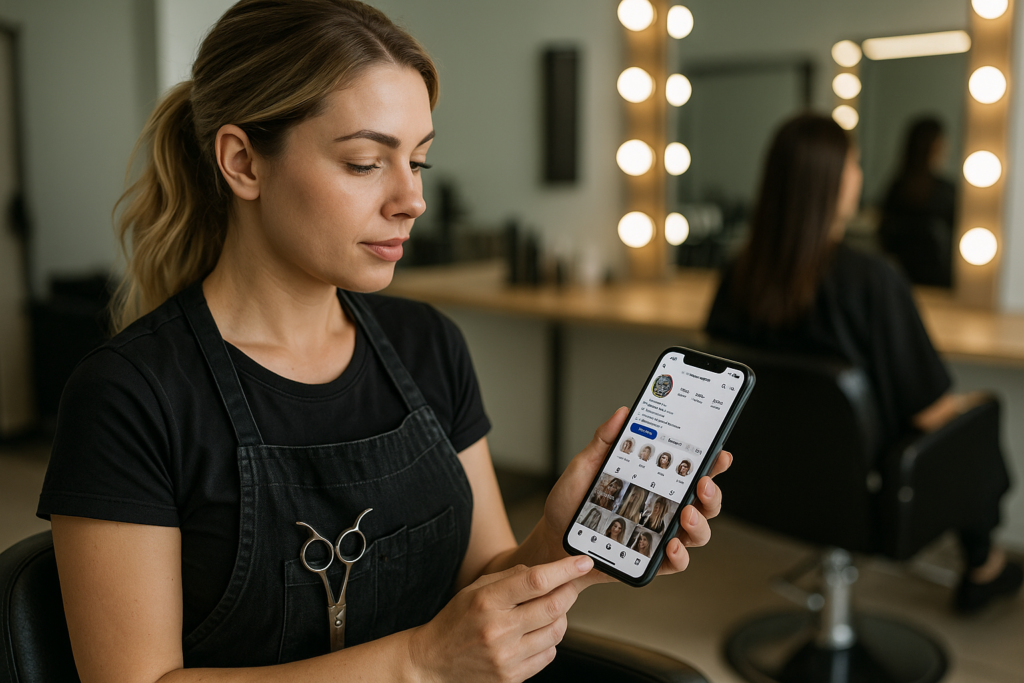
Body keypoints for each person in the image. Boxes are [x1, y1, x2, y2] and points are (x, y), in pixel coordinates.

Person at [35, 6, 733, 680]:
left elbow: (481, 587)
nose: (412, 200)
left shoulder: (428, 345)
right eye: (368, 162)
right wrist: (418, 663)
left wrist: (559, 537)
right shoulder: (130, 396)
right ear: (243, 162)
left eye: (419, 163)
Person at [706, 113, 1020, 615]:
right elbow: (929, 412)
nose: (860, 173)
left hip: (760, 483)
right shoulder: (872, 280)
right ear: (829, 180)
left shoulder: (738, 276)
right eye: (852, 162)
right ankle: (983, 564)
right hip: (867, 491)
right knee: (977, 417)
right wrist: (969, 408)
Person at [878, 117, 956, 288]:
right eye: (942, 143)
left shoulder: (896, 188)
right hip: (937, 281)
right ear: (934, 147)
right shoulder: (946, 193)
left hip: (902, 280)